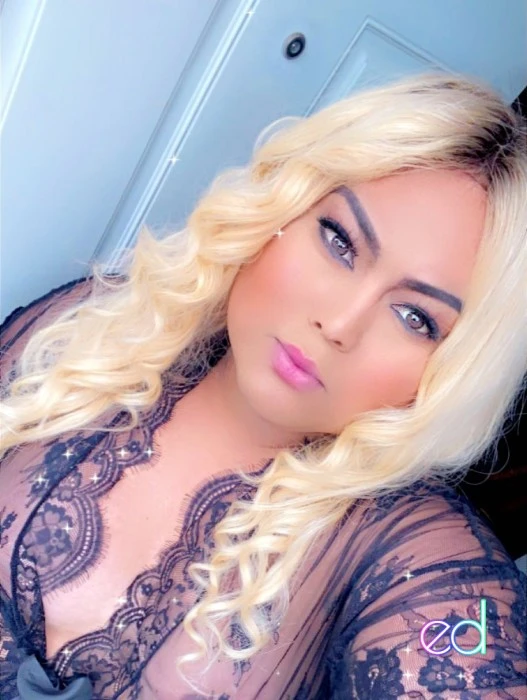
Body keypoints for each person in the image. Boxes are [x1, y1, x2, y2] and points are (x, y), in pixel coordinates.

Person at [0, 72, 526, 699]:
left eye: (416, 318)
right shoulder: (101, 326)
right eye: (340, 242)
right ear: (281, 208)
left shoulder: (415, 555)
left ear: (454, 373)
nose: (339, 324)